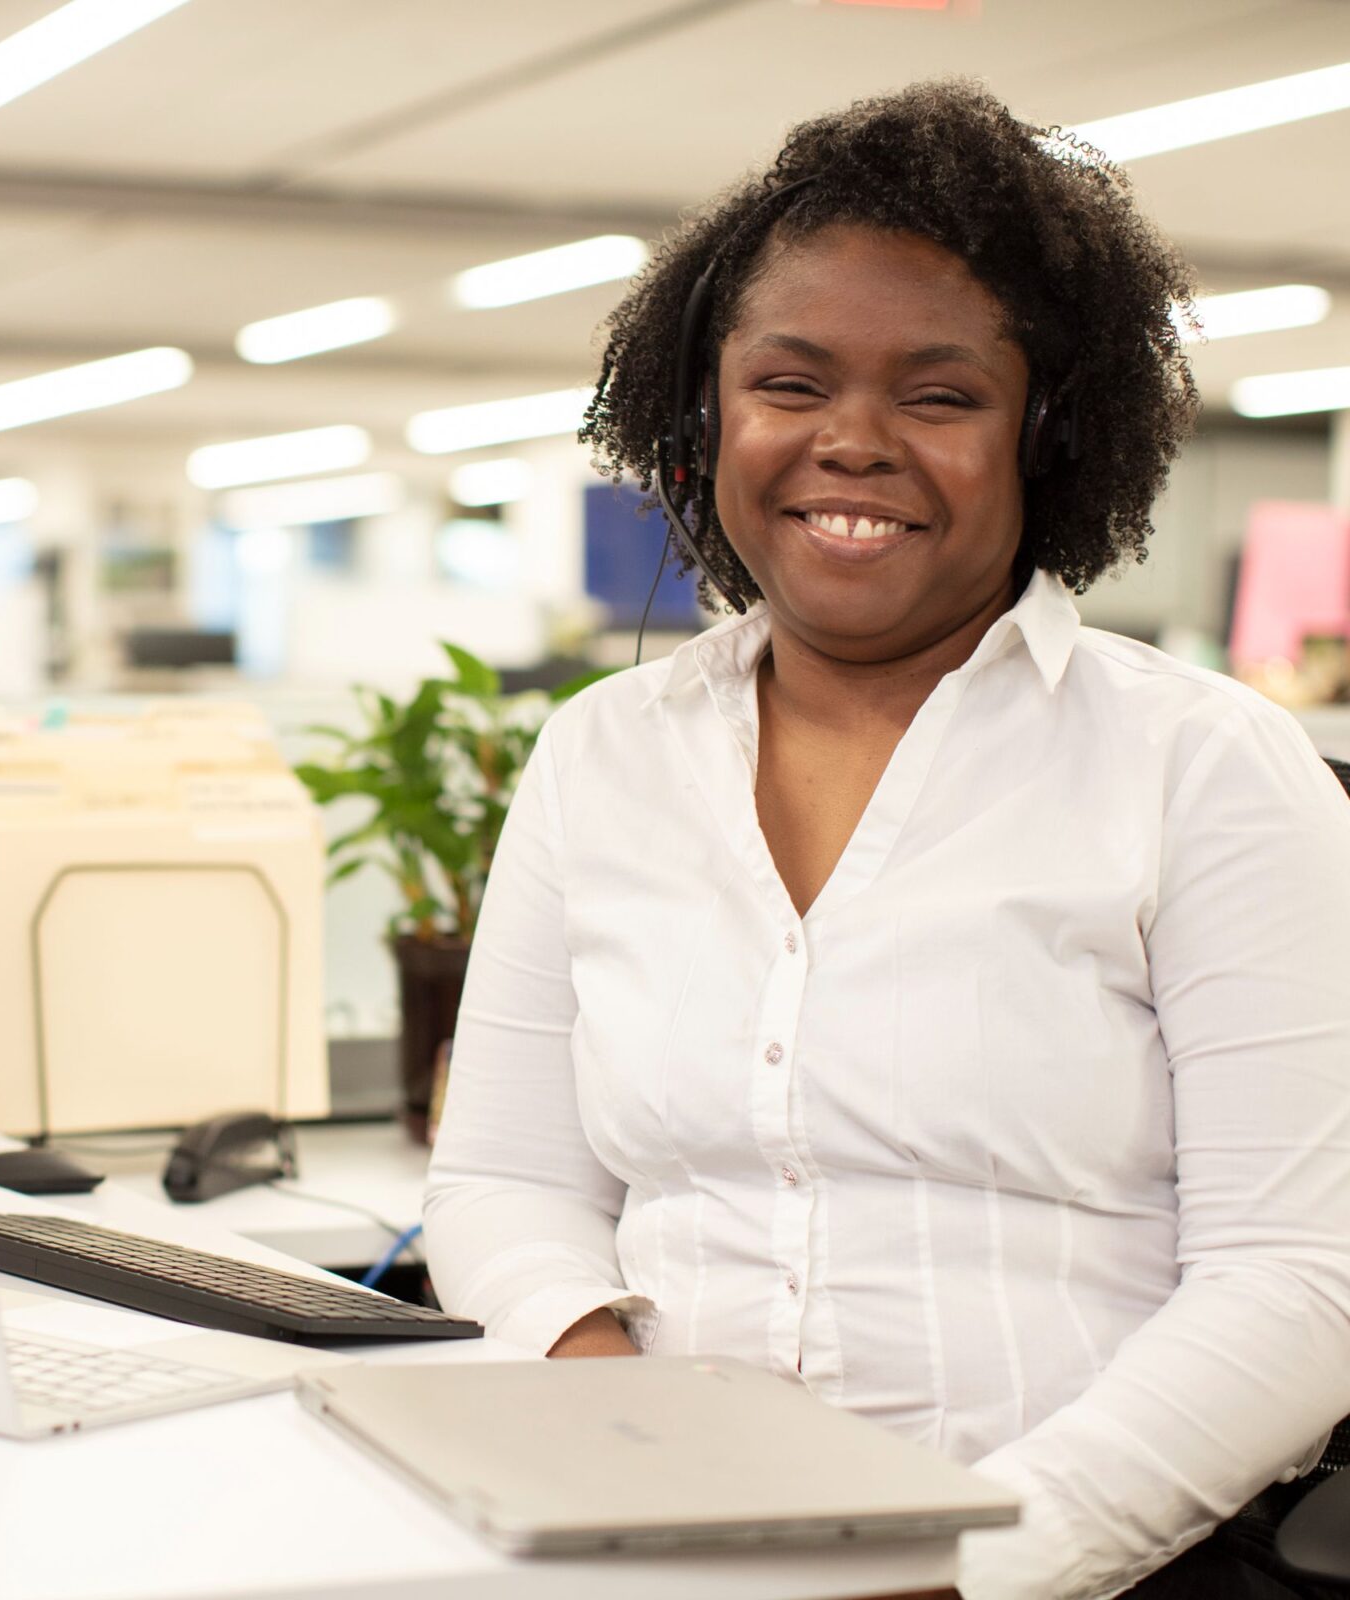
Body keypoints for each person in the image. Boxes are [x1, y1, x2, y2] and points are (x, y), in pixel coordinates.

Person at [422, 79, 1350, 1600]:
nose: (850, 443)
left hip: (1080, 1572)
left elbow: (1298, 1285)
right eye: (790, 385)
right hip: (657, 1544)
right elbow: (504, 1185)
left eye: (938, 396)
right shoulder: (603, 755)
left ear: (1045, 436)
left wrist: (959, 1565)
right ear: (704, 414)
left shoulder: (1208, 769)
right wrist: (612, 1406)